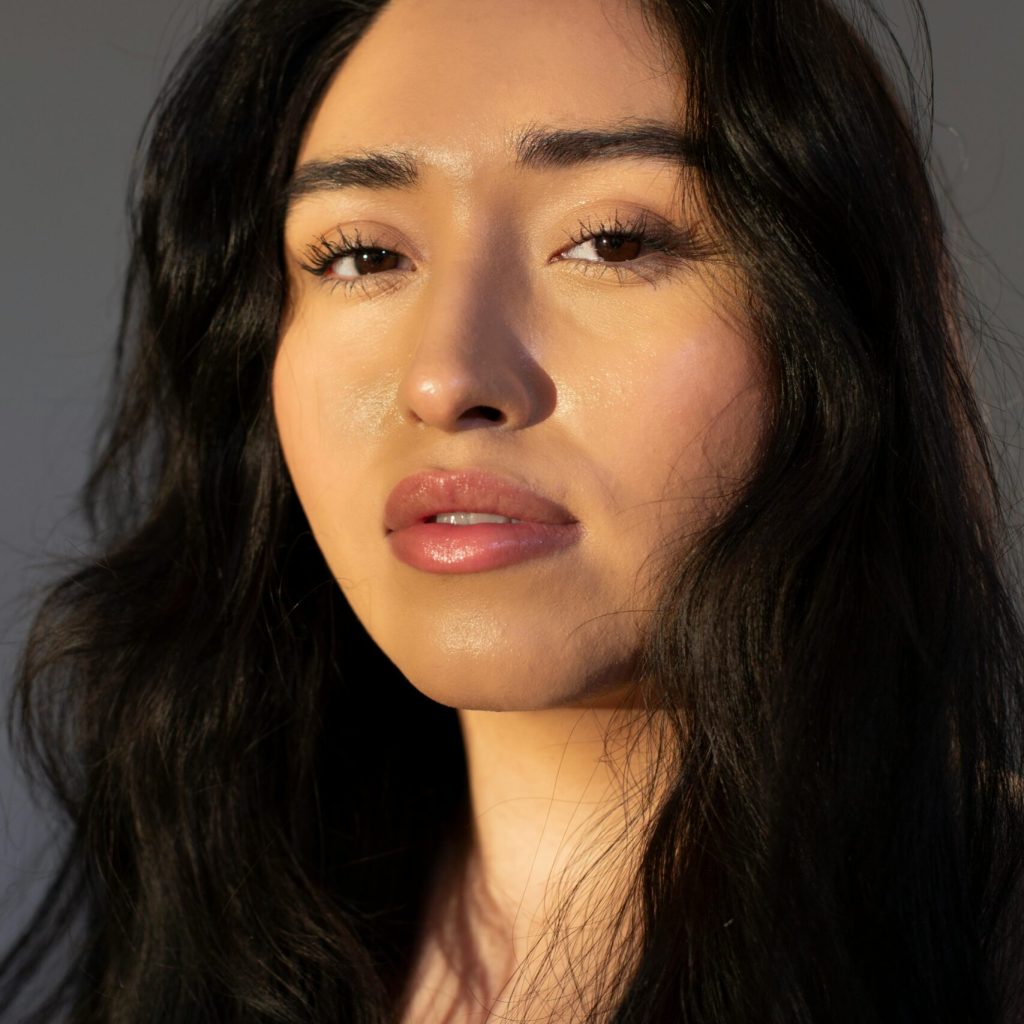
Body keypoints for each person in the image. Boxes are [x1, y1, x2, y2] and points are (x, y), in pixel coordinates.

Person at [2, 0, 1022, 1020]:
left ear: (831, 323)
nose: (448, 378)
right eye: (362, 257)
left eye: (612, 242)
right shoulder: (200, 939)